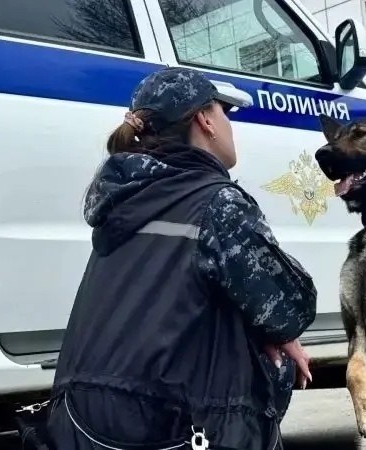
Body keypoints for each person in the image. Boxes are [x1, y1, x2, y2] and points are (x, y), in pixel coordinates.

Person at [44, 67, 317, 450]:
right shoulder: (216, 202)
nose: (230, 125)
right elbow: (293, 307)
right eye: (225, 112)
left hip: (80, 422)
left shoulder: (121, 198)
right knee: (275, 360)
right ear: (204, 120)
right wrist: (270, 332)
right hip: (171, 430)